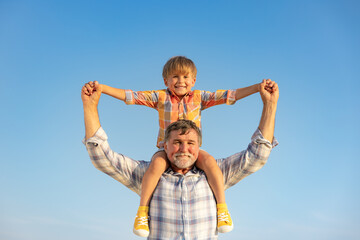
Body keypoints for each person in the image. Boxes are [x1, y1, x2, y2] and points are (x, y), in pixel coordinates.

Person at [82, 56, 263, 237]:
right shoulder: (161, 97)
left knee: (209, 161)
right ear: (165, 80)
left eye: (185, 77)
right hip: (166, 151)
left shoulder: (200, 97)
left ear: (194, 80)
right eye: (175, 77)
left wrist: (257, 88)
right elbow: (132, 97)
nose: (180, 81)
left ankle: (222, 209)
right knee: (156, 165)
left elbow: (228, 96)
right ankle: (142, 211)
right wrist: (103, 89)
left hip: (192, 152)